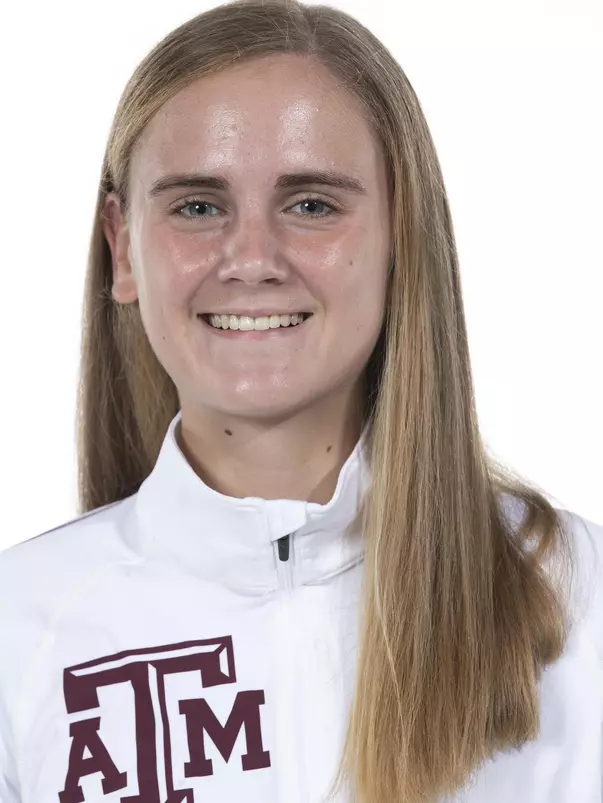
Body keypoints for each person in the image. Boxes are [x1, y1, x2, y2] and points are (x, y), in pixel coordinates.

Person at [0, 0, 601, 801]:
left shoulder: (577, 594)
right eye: (197, 206)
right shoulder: (19, 628)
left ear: (402, 237)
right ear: (123, 248)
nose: (251, 260)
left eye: (311, 204)